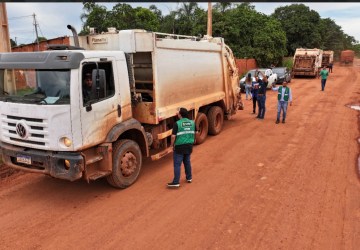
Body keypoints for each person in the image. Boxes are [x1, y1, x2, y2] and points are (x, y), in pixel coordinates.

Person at [168, 107, 195, 188]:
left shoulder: (177, 123)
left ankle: (176, 182)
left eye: (178, 113)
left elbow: (173, 136)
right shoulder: (192, 123)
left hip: (179, 147)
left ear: (180, 115)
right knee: (187, 162)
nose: (178, 114)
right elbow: (196, 132)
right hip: (189, 146)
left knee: (177, 164)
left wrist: (171, 145)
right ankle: (189, 178)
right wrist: (192, 140)